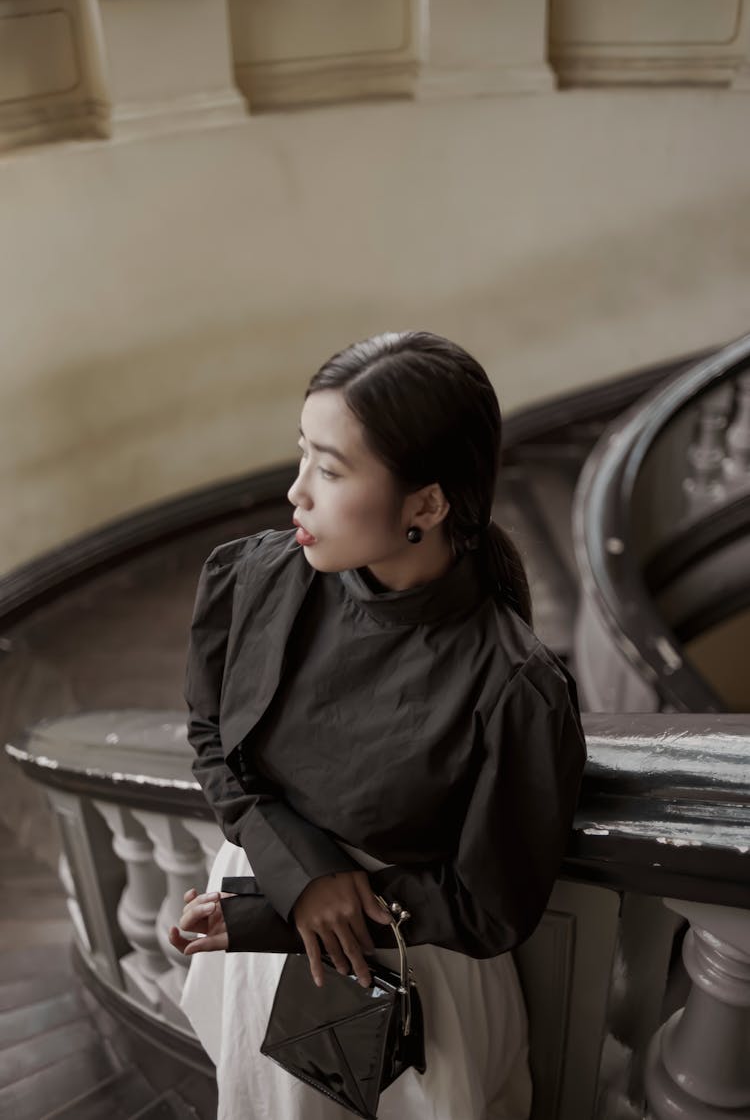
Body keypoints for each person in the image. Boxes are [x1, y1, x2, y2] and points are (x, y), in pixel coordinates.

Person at [169, 331, 587, 1120]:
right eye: (302, 457)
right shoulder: (256, 576)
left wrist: (271, 913)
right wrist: (296, 883)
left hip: (407, 976)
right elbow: (212, 740)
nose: (296, 492)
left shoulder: (514, 686)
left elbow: (489, 903)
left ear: (425, 505)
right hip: (267, 927)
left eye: (328, 471)